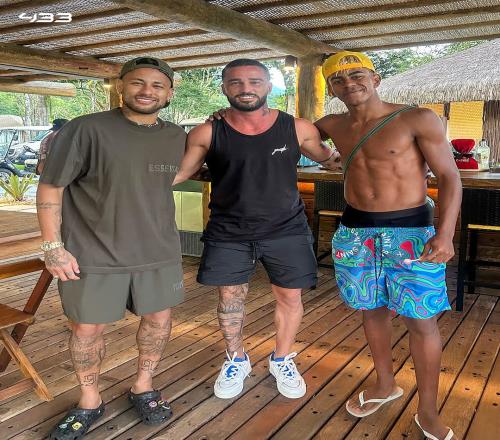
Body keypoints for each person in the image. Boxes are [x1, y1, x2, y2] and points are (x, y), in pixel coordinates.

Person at [173, 59, 340, 400]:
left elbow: (331, 159)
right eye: (235, 82)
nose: (245, 88)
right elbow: (181, 173)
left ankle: (282, 359)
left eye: (254, 81)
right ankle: (236, 359)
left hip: (287, 229)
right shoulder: (206, 132)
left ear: (268, 86)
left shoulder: (297, 128)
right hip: (228, 230)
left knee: (290, 296)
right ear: (224, 88)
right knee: (229, 298)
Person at [37, 56, 186, 439]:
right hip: (93, 252)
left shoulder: (176, 137)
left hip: (158, 252)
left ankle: (143, 385)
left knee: (159, 321)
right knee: (87, 329)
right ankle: (90, 399)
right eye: (137, 82)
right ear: (121, 86)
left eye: (157, 85)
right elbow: (51, 187)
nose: (147, 91)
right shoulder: (85, 129)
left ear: (170, 93)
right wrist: (53, 246)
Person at [316, 51, 461, 440]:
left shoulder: (417, 118)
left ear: (376, 79)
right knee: (372, 310)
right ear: (330, 88)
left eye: (357, 74)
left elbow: (449, 176)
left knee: (421, 320)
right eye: (338, 79)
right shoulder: (330, 124)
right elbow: (286, 133)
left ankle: (428, 411)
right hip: (356, 232)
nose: (349, 84)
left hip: (411, 233)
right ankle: (385, 384)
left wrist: (445, 234)